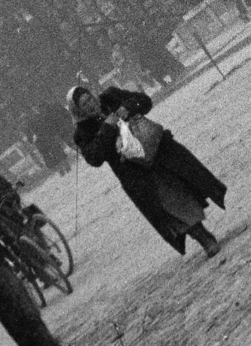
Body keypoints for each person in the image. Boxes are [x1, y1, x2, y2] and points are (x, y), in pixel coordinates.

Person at [68, 86, 225, 257]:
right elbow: (94, 158)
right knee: (168, 208)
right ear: (78, 111)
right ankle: (204, 239)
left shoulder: (111, 97)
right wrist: (108, 128)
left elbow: (144, 101)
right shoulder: (82, 133)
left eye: (90, 98)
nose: (91, 104)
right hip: (137, 175)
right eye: (84, 104)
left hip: (160, 154)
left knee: (184, 192)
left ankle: (203, 234)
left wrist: (127, 108)